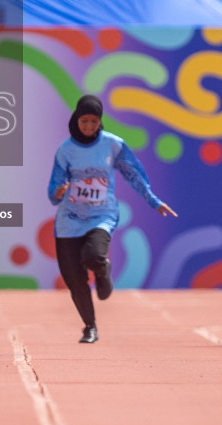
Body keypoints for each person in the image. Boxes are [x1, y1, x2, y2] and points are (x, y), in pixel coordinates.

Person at [48, 95, 177, 344]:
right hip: (69, 219)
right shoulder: (65, 150)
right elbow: (53, 191)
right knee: (74, 278)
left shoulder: (113, 145)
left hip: (101, 215)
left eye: (94, 121)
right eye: (84, 121)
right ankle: (90, 327)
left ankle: (102, 268)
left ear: (100, 121)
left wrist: (153, 201)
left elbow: (134, 174)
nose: (88, 127)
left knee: (92, 255)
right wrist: (58, 192)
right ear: (76, 119)